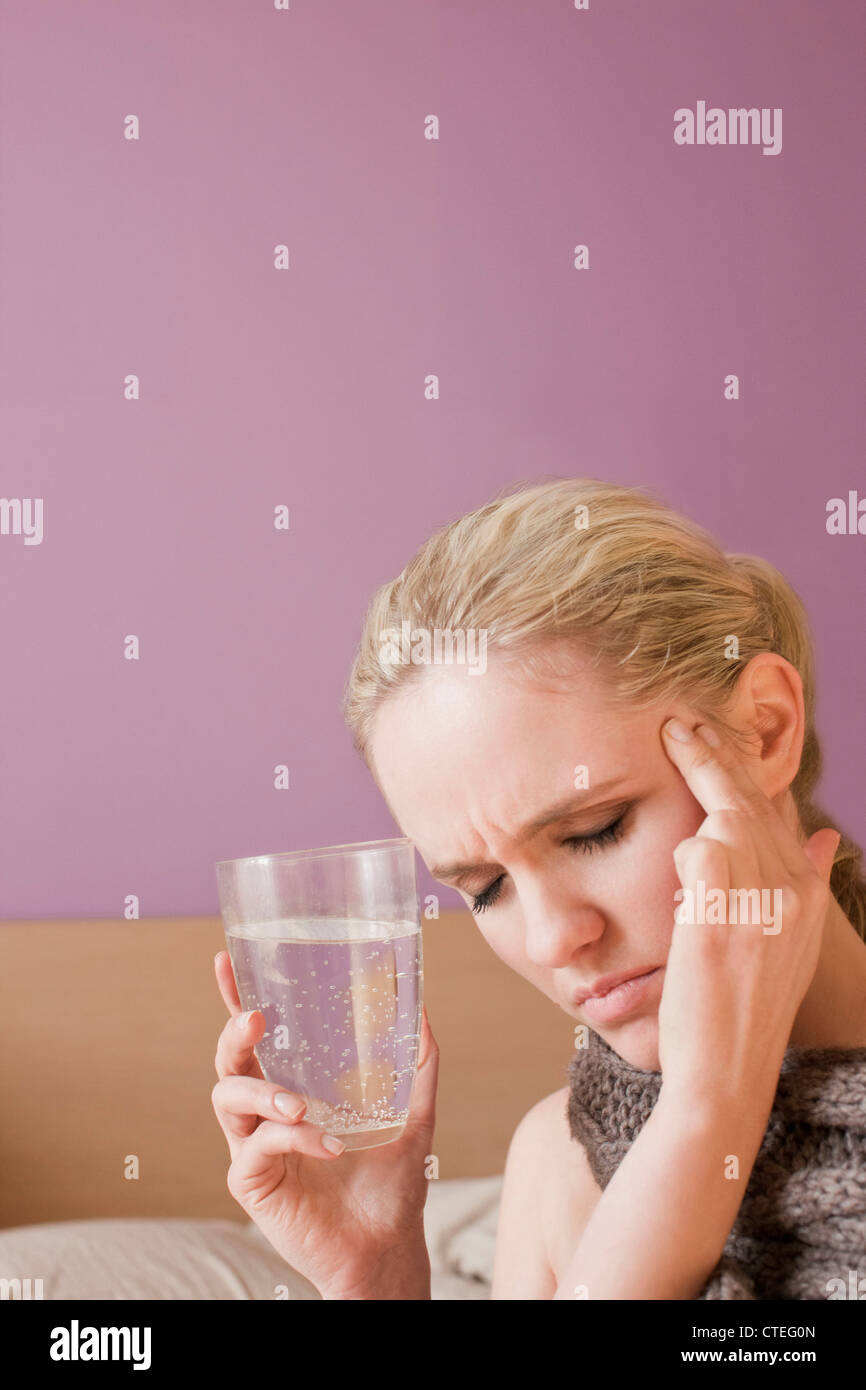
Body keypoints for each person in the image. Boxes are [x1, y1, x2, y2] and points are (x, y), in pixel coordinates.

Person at [212, 477, 866, 1299]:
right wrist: (377, 1275)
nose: (555, 939)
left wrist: (707, 1109)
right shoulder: (563, 1162)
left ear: (764, 730)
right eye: (484, 889)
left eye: (595, 830)